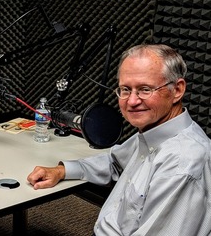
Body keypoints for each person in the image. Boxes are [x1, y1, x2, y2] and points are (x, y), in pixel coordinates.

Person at [27, 44, 211, 235]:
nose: (131, 101)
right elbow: (114, 162)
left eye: (145, 89)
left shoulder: (181, 164)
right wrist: (62, 170)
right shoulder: (154, 132)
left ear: (178, 90)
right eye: (125, 89)